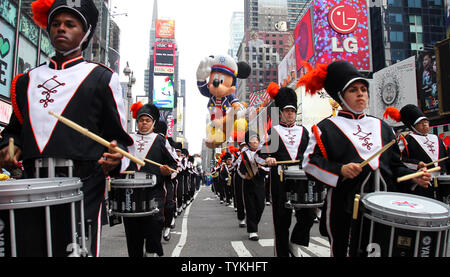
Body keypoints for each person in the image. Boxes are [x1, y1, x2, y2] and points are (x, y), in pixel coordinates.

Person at [0, 0, 132, 257]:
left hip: (83, 186)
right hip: (32, 185)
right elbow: (14, 131)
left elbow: (120, 139)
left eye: (70, 24)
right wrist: (7, 146)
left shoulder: (103, 78)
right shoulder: (25, 81)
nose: (61, 29)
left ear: (85, 33)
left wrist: (117, 158)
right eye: (56, 24)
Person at [297, 60, 432, 257]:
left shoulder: (383, 127)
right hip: (345, 208)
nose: (361, 93)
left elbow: (395, 166)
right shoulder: (325, 128)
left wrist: (413, 176)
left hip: (387, 207)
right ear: (341, 96)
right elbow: (309, 163)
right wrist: (340, 170)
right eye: (353, 90)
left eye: (363, 89)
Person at [254, 83, 315, 257]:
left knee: (309, 215)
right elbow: (258, 156)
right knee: (282, 221)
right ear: (280, 112)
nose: (290, 114)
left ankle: (295, 241)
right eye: (287, 110)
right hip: (280, 180)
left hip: (302, 180)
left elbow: (312, 154)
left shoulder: (304, 131)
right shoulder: (273, 132)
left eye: (293, 111)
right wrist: (268, 159)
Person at [122, 102, 177, 257]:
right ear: (137, 122)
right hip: (131, 191)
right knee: (133, 230)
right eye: (141, 120)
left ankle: (152, 250)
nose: (144, 123)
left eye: (147, 120)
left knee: (154, 225)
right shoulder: (128, 140)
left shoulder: (160, 140)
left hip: (154, 191)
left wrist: (166, 171)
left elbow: (174, 164)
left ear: (153, 123)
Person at [384, 104, 449, 200]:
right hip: (421, 182)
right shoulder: (406, 139)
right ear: (413, 126)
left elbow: (446, 157)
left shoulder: (437, 138)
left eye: (426, 121)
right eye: (420, 123)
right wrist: (417, 164)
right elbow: (400, 160)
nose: (425, 125)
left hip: (441, 182)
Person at [238, 131, 267, 241]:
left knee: (260, 206)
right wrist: (245, 176)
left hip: (260, 183)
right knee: (250, 206)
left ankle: (253, 223)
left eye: (256, 140)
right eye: (252, 140)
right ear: (248, 143)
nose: (255, 142)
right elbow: (239, 169)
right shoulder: (243, 154)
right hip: (248, 183)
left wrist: (262, 168)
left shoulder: (262, 153)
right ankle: (252, 230)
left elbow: (268, 168)